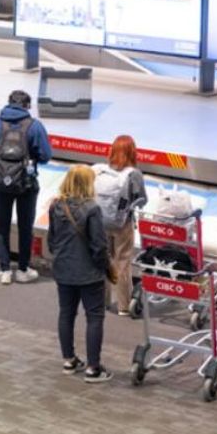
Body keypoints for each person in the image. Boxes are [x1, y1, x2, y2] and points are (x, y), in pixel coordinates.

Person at [48, 165, 113, 383]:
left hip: (63, 269)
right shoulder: (92, 209)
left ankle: (69, 360)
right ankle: (93, 368)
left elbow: (52, 239)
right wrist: (105, 267)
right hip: (89, 273)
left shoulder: (56, 205)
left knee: (66, 313)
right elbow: (98, 245)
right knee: (94, 317)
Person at [0, 89, 52, 285]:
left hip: (2, 182)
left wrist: (4, 165)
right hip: (26, 183)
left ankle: (4, 270)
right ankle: (22, 269)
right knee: (25, 226)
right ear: (27, 106)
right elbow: (46, 155)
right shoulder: (35, 126)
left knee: (2, 225)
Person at [94, 135, 148, 316]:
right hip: (121, 224)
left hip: (100, 222)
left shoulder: (101, 171)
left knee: (104, 260)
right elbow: (143, 201)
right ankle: (124, 306)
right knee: (122, 262)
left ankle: (102, 301)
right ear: (133, 152)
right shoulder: (134, 174)